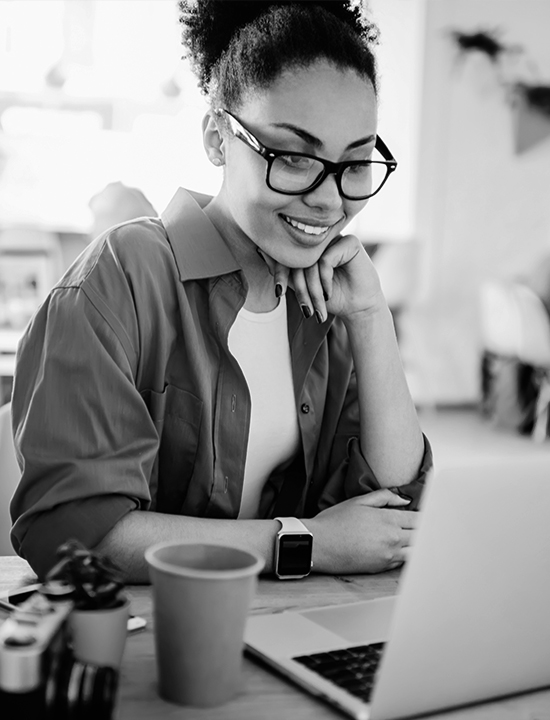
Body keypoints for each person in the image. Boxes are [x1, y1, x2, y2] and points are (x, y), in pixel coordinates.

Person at [10, 0, 432, 583]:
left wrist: (370, 318)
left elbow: (394, 516)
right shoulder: (120, 279)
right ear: (216, 138)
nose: (329, 200)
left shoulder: (328, 299)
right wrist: (306, 543)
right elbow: (73, 535)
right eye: (292, 157)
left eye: (355, 163)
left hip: (285, 622)